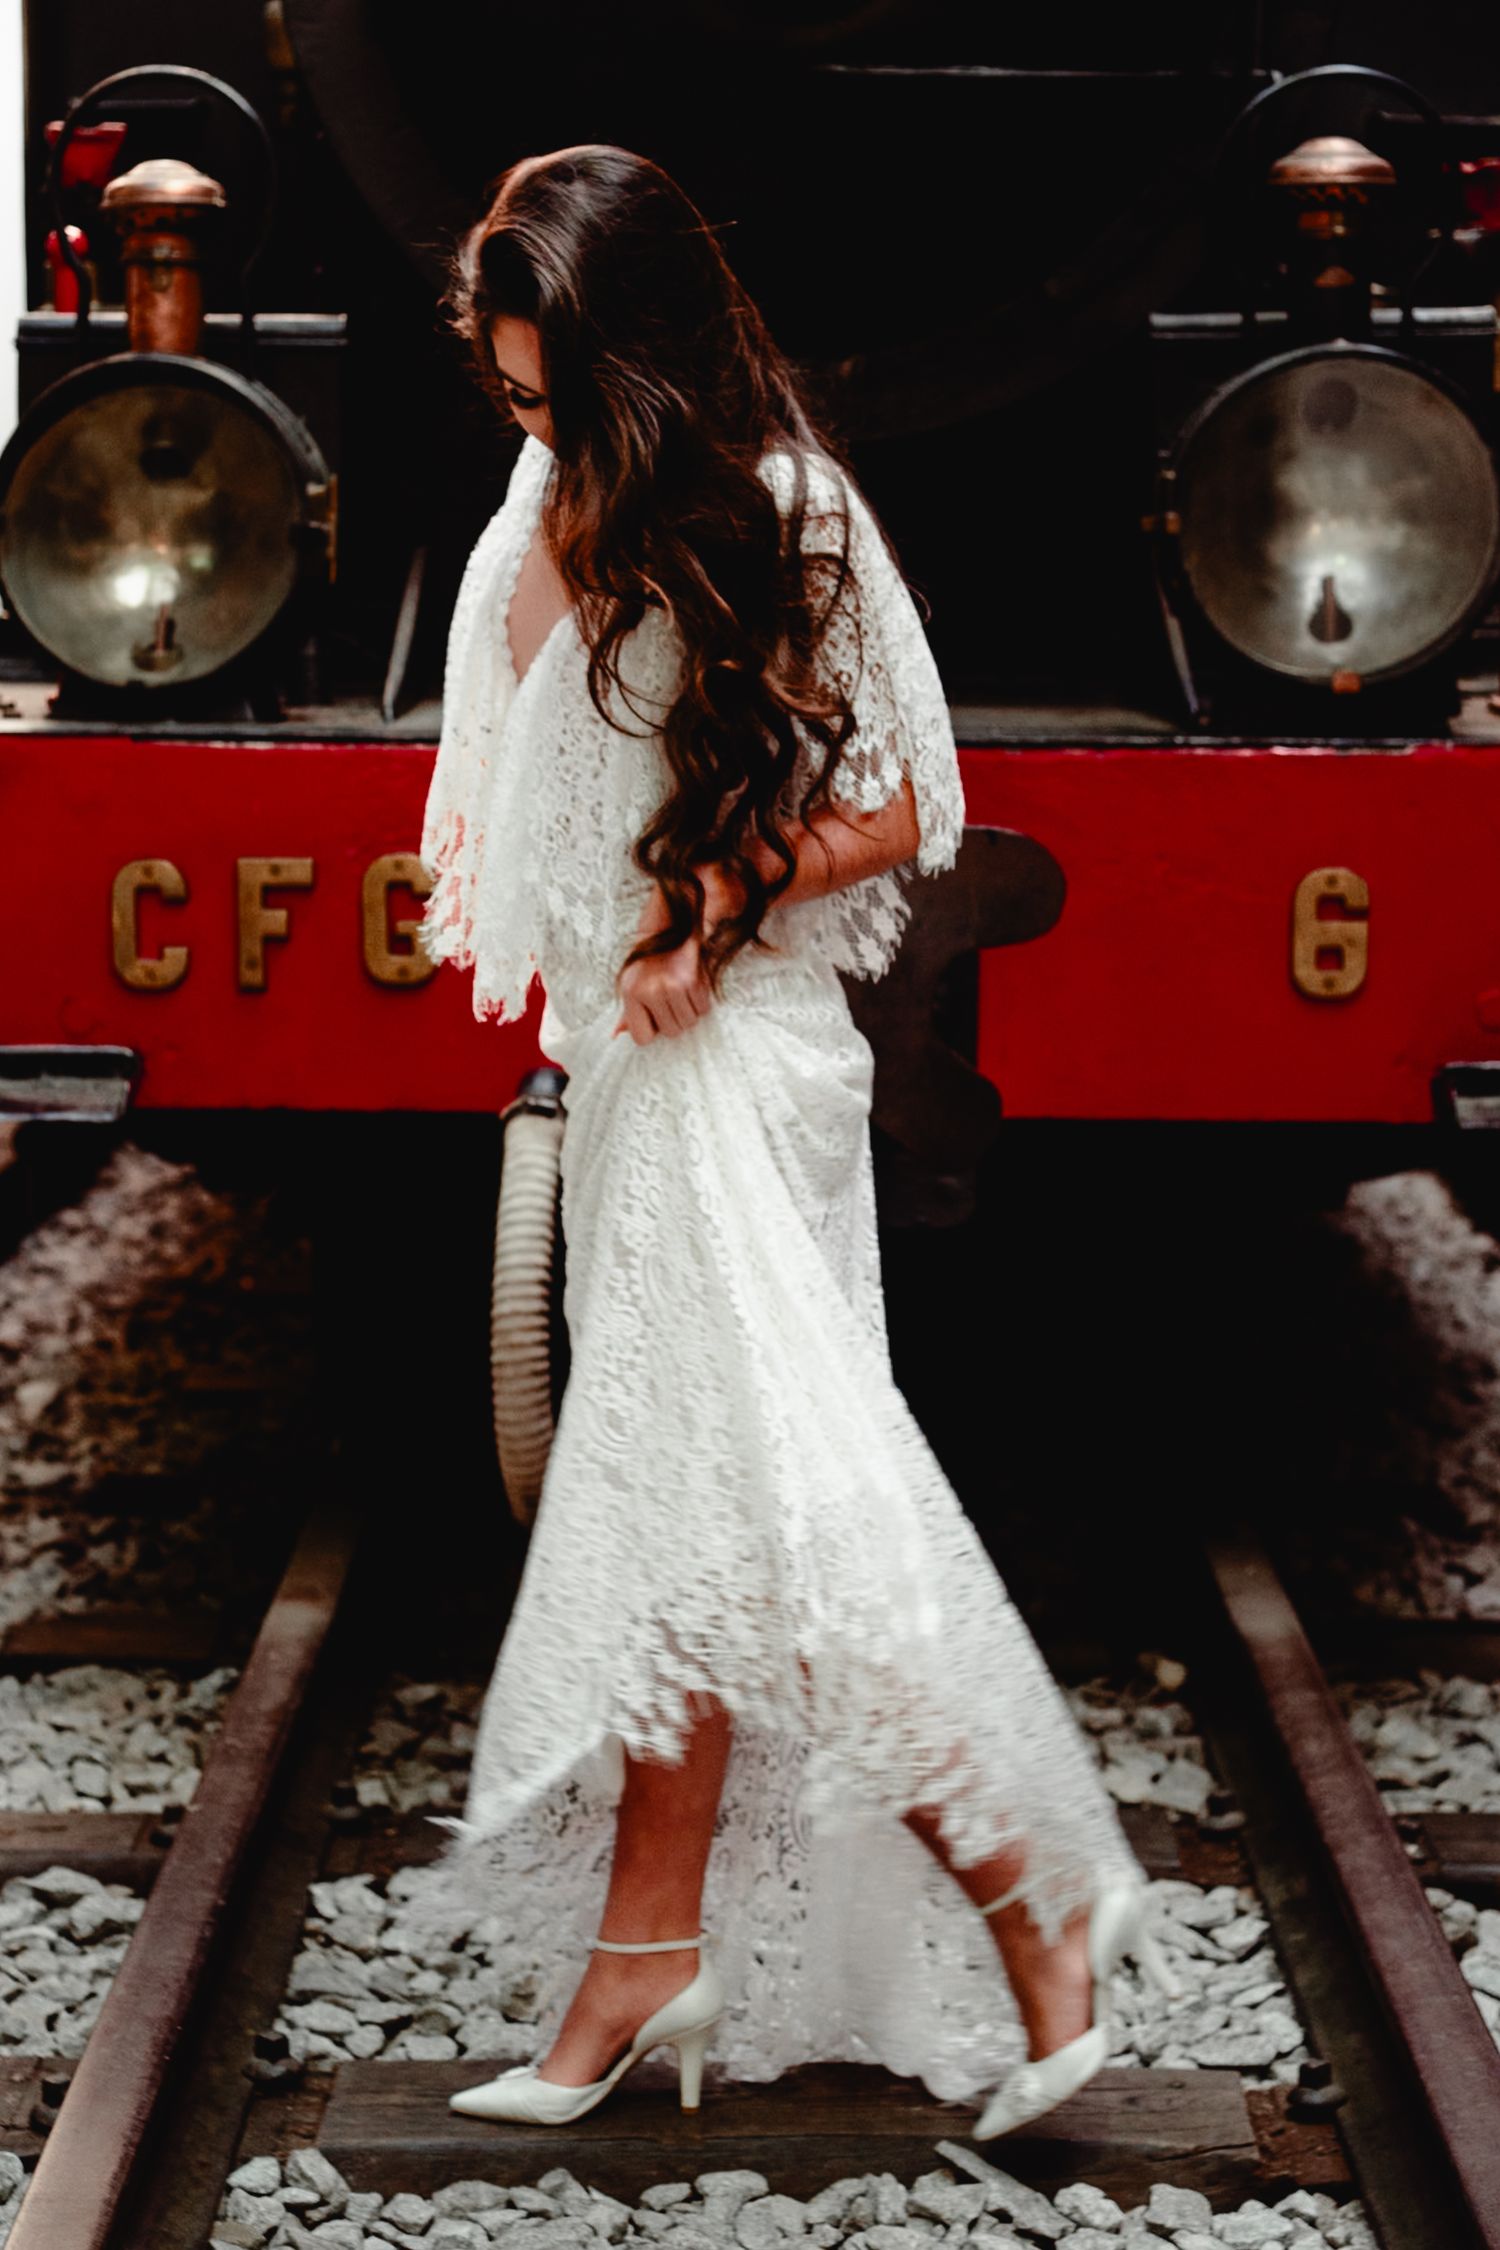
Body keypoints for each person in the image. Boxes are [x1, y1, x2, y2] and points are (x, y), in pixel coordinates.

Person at [411, 143, 1174, 2140]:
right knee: (694, 1523)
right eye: (510, 393)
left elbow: (914, 798)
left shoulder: (785, 504)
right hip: (632, 1074)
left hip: (735, 1067)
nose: (530, 426)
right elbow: (536, 798)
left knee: (792, 1520)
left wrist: (720, 897)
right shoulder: (551, 494)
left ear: (645, 355)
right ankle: (645, 1953)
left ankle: (1036, 1915)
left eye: (555, 392)